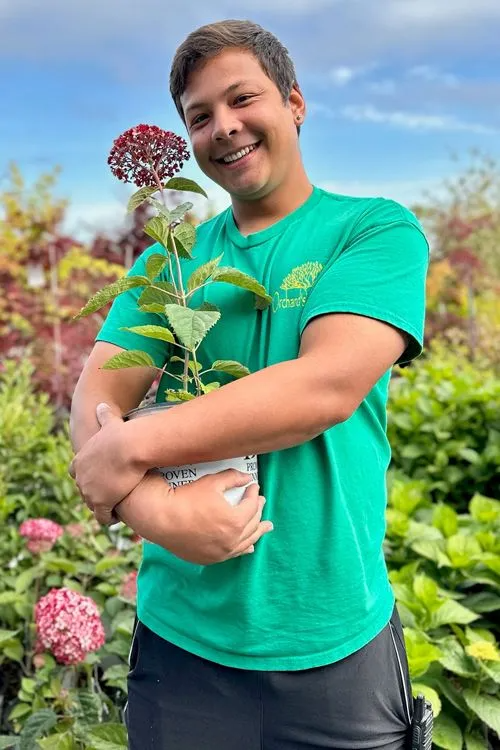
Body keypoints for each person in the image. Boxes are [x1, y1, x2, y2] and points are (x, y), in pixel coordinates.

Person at [70, 19, 429, 750]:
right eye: (199, 118)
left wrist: (128, 451)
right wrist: (157, 513)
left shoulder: (372, 231)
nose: (223, 128)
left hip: (336, 640)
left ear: (294, 102)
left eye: (243, 99)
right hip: (181, 645)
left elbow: (323, 388)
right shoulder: (166, 265)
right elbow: (94, 402)